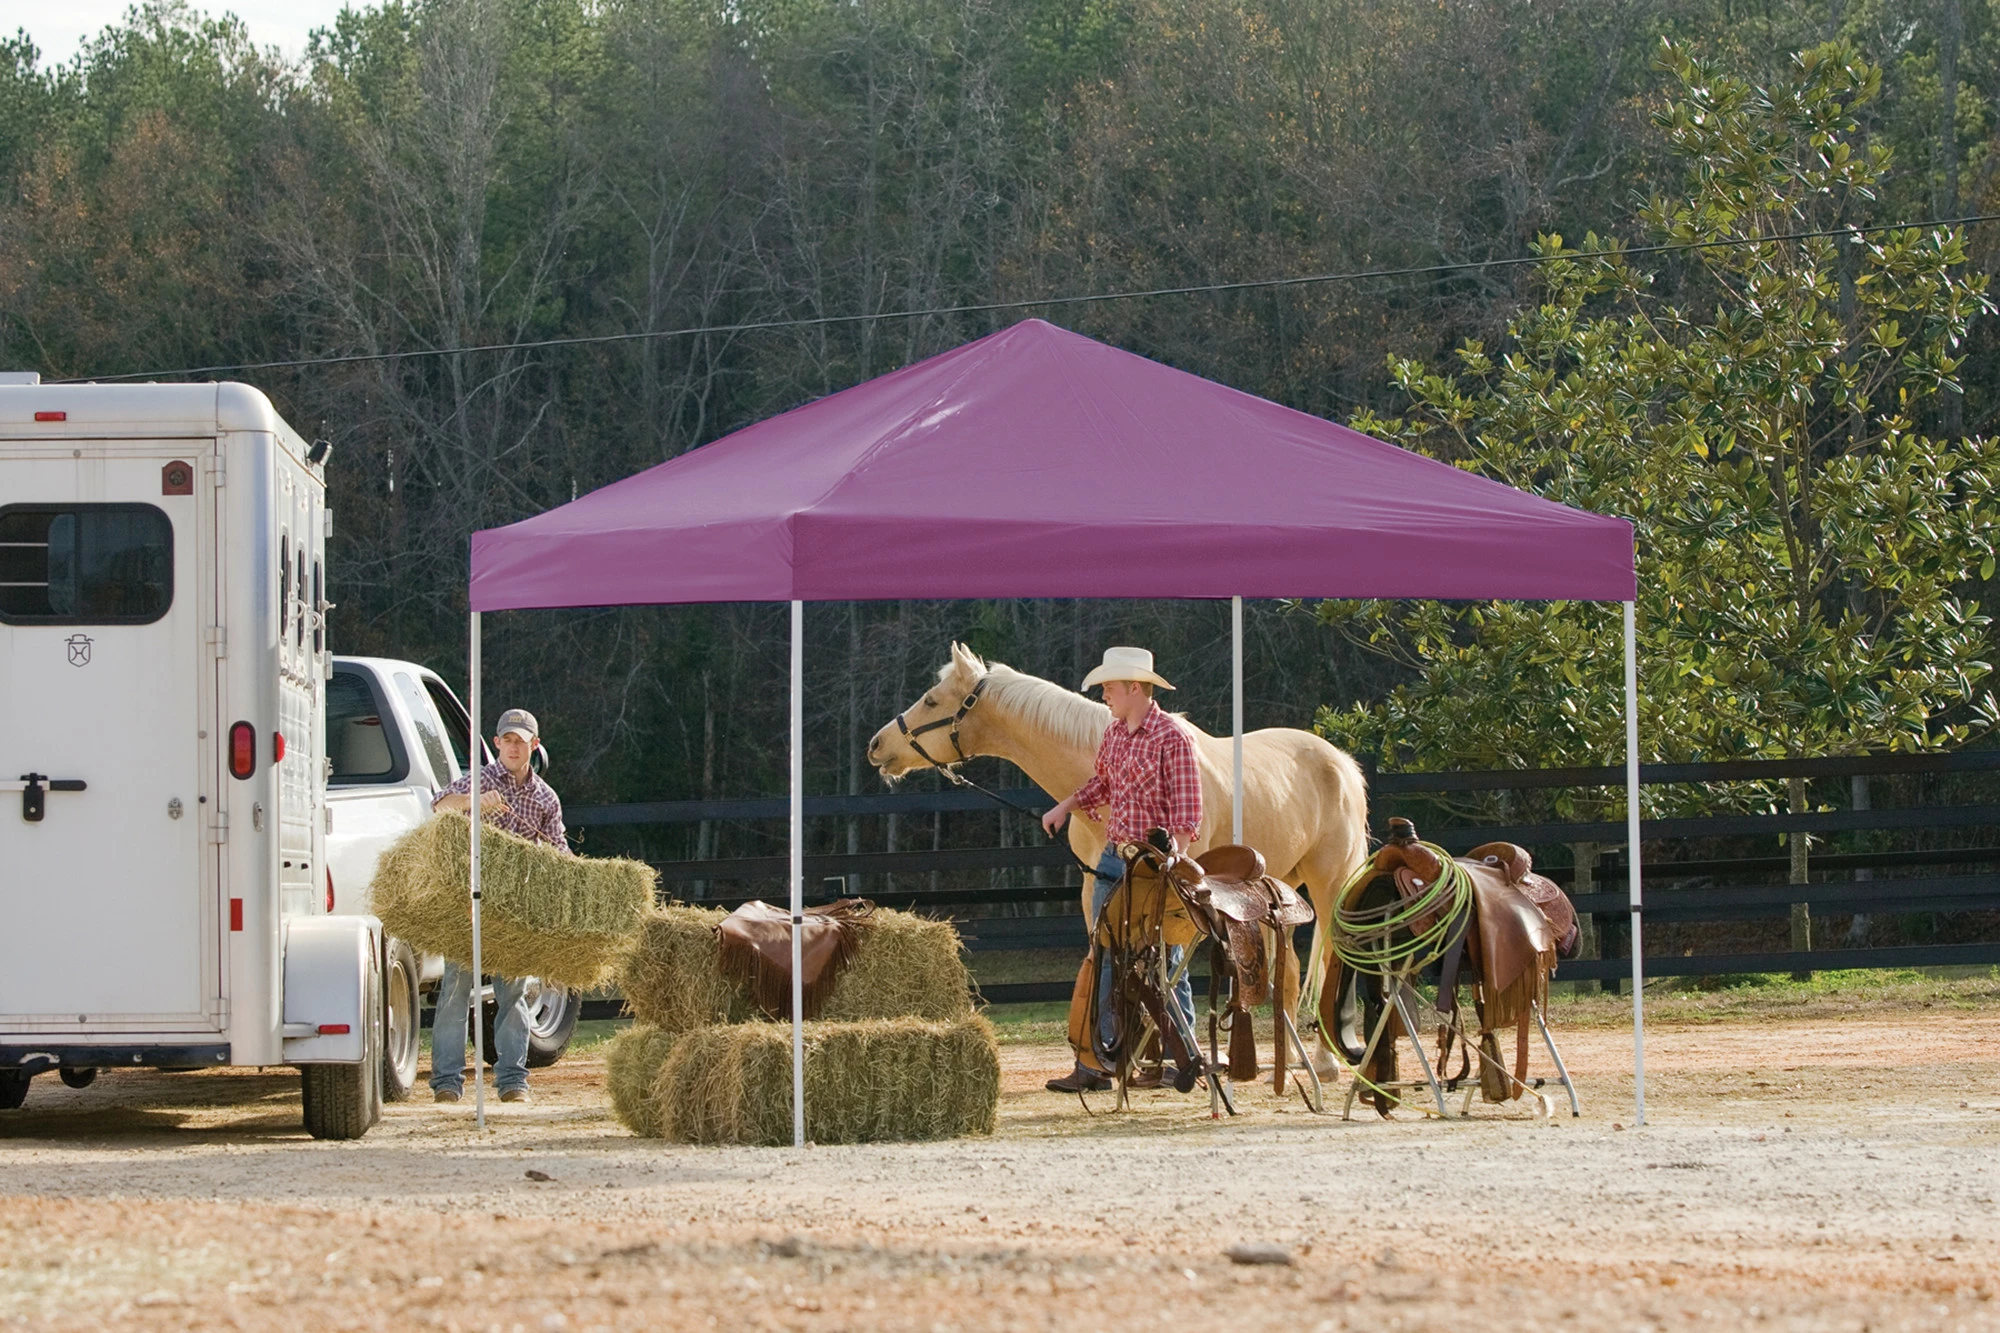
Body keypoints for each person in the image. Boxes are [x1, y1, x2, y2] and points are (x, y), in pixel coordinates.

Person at [1039, 647, 1203, 1094]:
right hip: (1115, 858)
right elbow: (1103, 784)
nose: (1104, 694)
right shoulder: (1114, 735)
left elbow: (1188, 814)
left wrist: (1173, 862)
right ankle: (1099, 1061)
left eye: (1110, 686)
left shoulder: (1173, 738)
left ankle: (1181, 1055)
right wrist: (1065, 807)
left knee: (1168, 958)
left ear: (1135, 688)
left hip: (1155, 866)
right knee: (1104, 955)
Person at [429, 707, 568, 1106]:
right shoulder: (482, 779)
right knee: (456, 990)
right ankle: (447, 1084)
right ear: (496, 743)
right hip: (470, 902)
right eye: (506, 740)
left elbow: (559, 849)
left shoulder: (545, 798)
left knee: (514, 994)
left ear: (534, 746)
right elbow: (439, 805)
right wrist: (475, 802)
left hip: (514, 909)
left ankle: (512, 1080)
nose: (512, 747)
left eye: (520, 742)